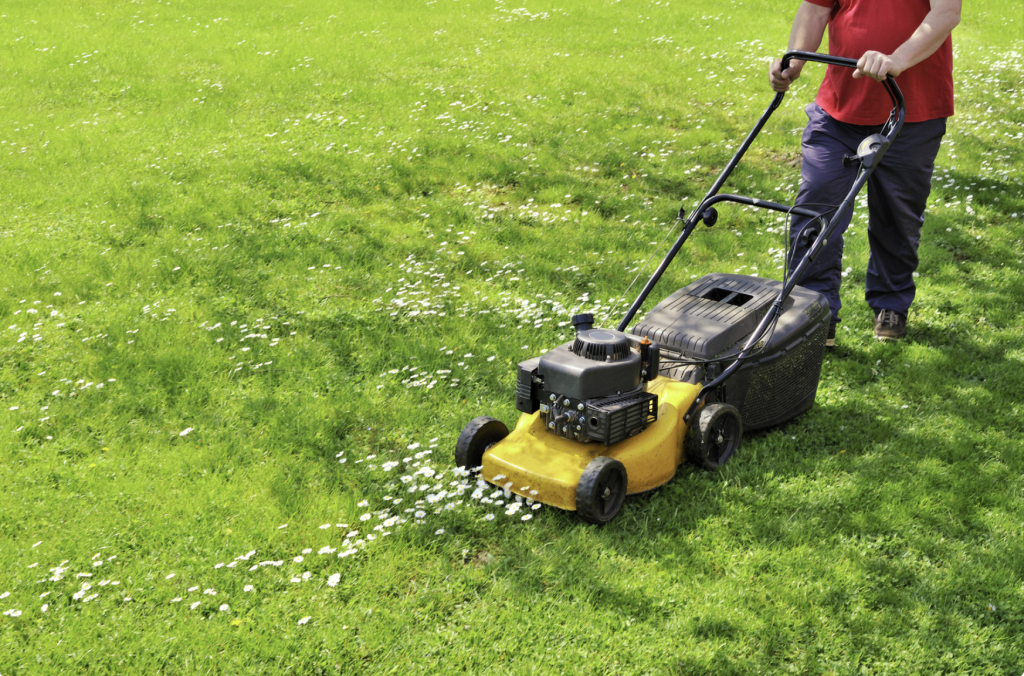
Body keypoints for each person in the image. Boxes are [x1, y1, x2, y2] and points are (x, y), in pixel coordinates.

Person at [769, 0, 961, 344]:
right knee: (816, 206)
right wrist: (794, 59)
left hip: (912, 110)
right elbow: (815, 9)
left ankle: (891, 305)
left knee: (897, 214)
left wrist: (896, 60)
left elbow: (946, 13)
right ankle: (814, 313)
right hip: (839, 109)